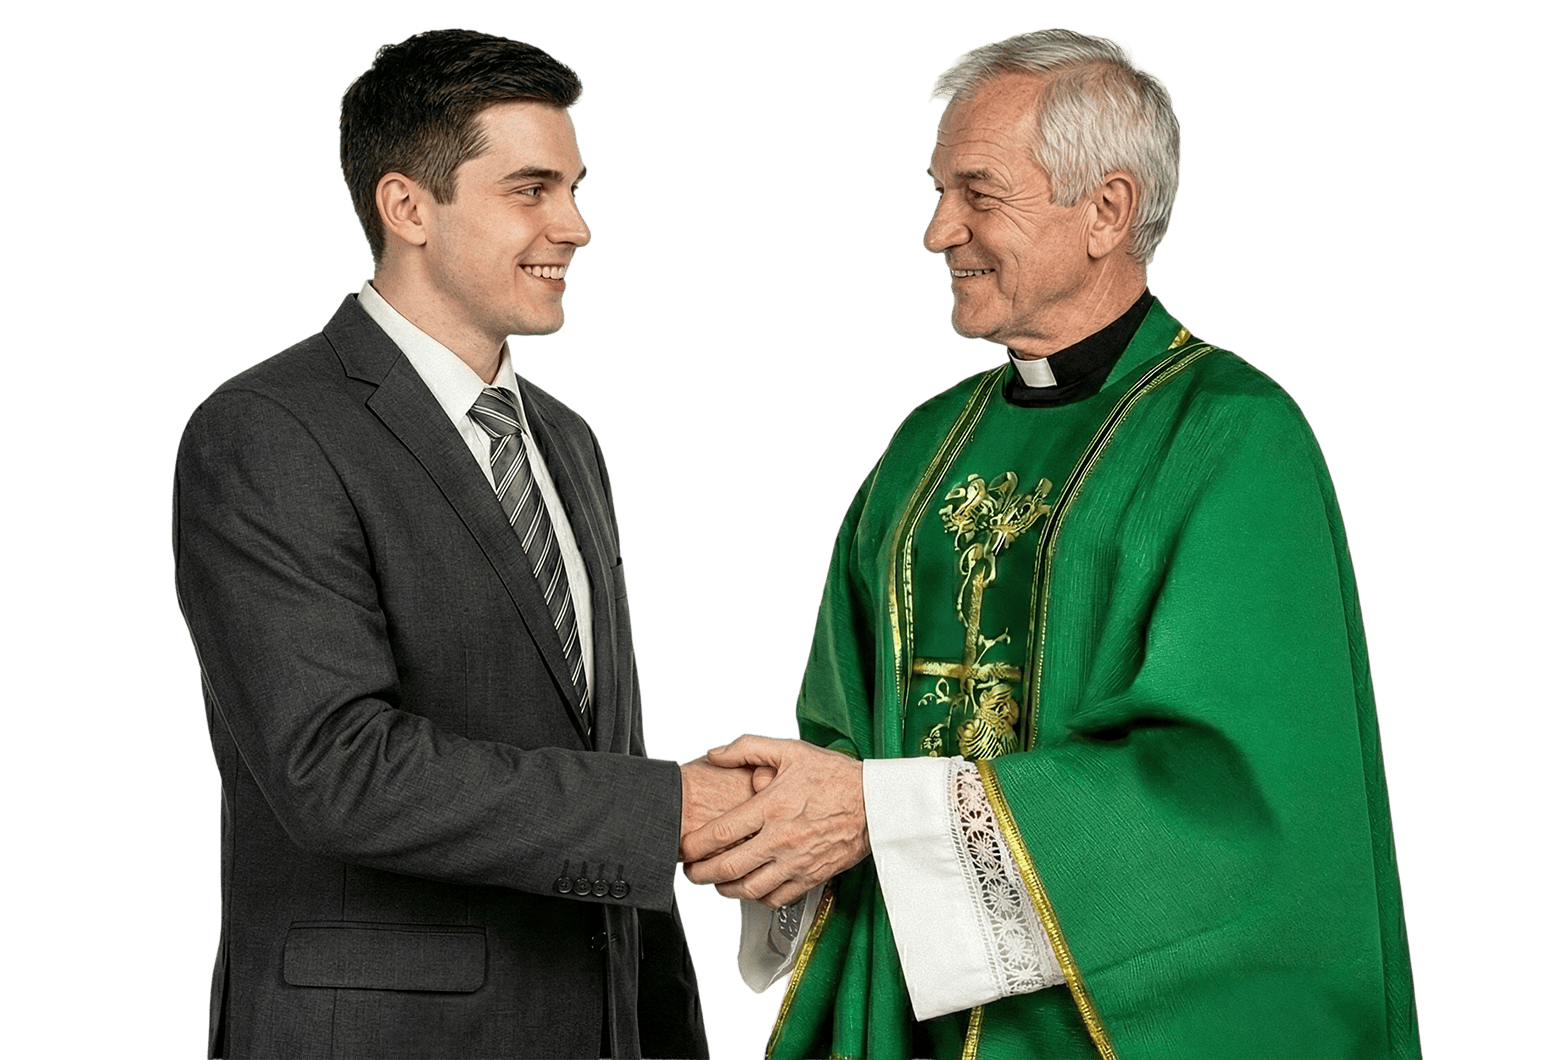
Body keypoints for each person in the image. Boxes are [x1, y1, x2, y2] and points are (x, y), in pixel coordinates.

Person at [682, 28, 1420, 1059]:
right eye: (939, 191)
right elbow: (849, 730)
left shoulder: (1232, 440)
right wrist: (780, 817)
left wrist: (879, 813)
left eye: (977, 194)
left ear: (1106, 212)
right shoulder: (925, 448)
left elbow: (1233, 803)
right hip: (908, 1009)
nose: (937, 230)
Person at [172, 28, 753, 1060]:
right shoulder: (266, 429)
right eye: (531, 189)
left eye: (573, 187)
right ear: (408, 208)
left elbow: (592, 748)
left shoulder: (567, 441)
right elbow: (335, 769)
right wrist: (673, 809)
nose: (574, 225)